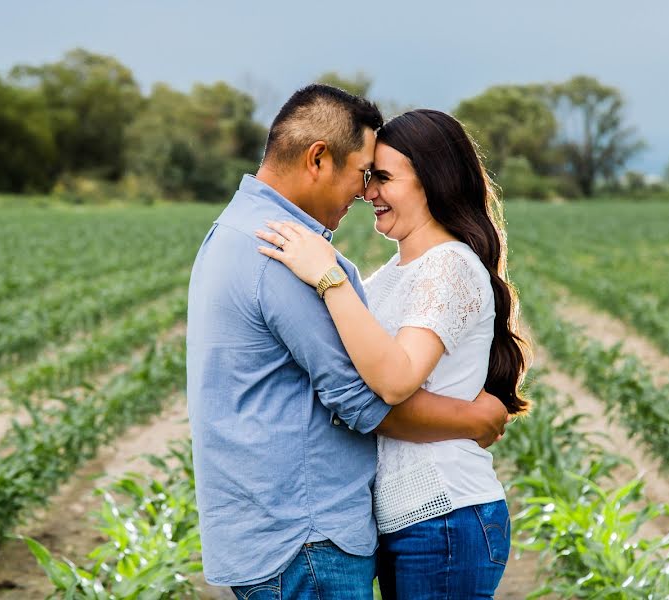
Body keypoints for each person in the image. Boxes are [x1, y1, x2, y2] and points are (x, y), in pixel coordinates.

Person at [186, 85, 510, 599]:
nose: (366, 193)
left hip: (428, 512)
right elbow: (359, 396)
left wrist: (331, 278)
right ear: (318, 159)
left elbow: (380, 378)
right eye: (366, 174)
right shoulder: (284, 250)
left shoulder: (239, 232)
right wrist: (472, 417)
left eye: (381, 178)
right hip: (306, 533)